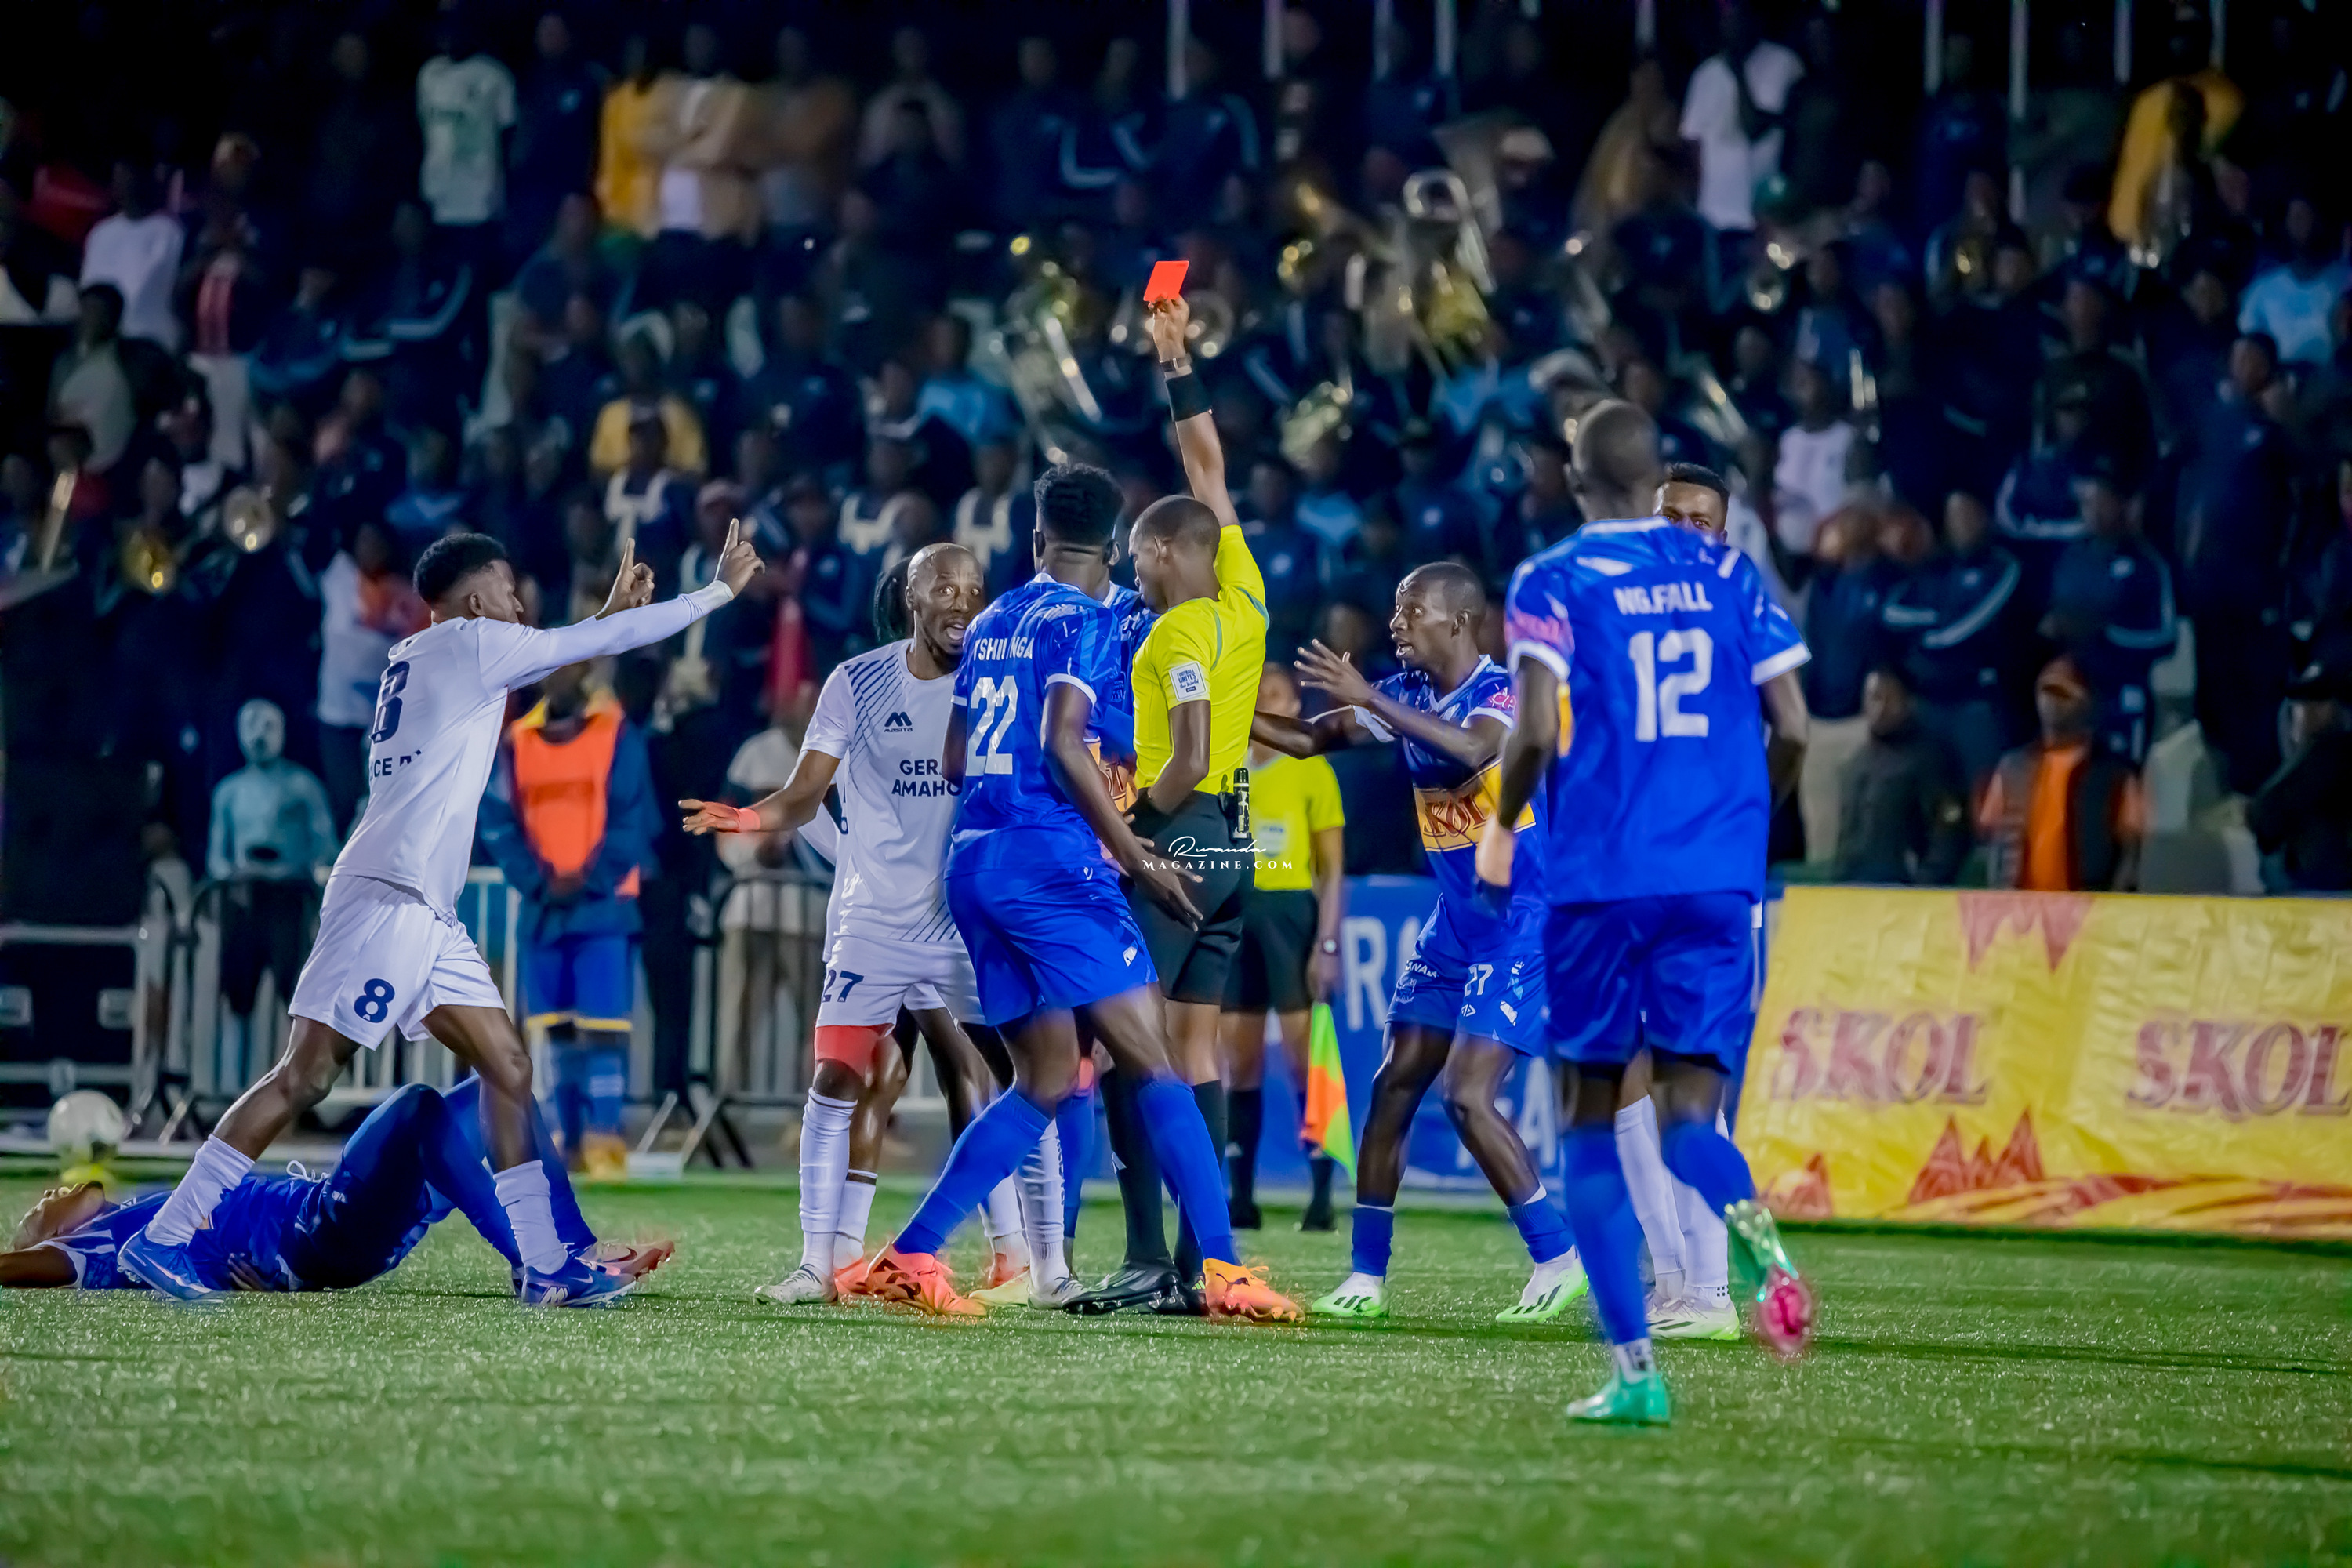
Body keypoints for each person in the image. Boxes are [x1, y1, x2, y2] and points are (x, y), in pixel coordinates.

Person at [117, 526, 761, 1306]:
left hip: (423, 907)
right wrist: (716, 593)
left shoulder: (429, 653)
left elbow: (571, 648)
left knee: (508, 1066)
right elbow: (593, 646)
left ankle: (545, 1266)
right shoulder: (470, 645)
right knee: (305, 1076)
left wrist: (603, 616)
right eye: (509, 589)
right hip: (388, 897)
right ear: (477, 599)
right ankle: (165, 1237)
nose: (520, 603)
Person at [848, 438, 1296, 1323]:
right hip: (1053, 864)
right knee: (1156, 1059)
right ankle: (1223, 1268)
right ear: (1116, 545)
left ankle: (911, 1253)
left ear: (1035, 537)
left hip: (975, 862)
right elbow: (1062, 739)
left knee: (1046, 1078)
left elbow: (954, 758)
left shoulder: (991, 621)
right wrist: (1135, 850)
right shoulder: (1087, 621)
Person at [1482, 399, 1817, 1427]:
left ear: (1577, 478)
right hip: (1717, 879)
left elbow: (1535, 729)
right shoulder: (1730, 572)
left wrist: (1501, 822)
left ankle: (1636, 1374)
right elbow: (1796, 726)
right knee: (1691, 1114)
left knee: (1588, 1124)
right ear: (1655, 480)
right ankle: (1766, 1252)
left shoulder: (1554, 576)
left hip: (1602, 877)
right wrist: (1740, 822)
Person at [684, 543, 1073, 1310]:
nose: (961, 602)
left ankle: (1046, 1266)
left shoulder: (1002, 678)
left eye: (973, 589)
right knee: (836, 1079)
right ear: (911, 598)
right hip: (873, 922)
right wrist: (749, 818)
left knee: (1025, 1079)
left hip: (969, 919)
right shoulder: (856, 681)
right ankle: (816, 1266)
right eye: (944, 588)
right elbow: (806, 794)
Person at [1250, 564, 1581, 1324]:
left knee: (1466, 1094)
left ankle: (1557, 1257)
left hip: (1521, 921)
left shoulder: (1505, 692)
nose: (1396, 623)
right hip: (1454, 924)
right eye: (1395, 611)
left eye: (1412, 611)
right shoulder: (1406, 696)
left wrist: (1373, 701)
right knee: (1393, 1083)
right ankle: (1366, 1276)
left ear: (1459, 621)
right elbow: (1308, 738)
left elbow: (1474, 750)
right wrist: (1221, 709)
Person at [1070, 294, 1269, 1316]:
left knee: (1124, 1048)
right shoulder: (1248, 601)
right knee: (1195, 1053)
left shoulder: (1174, 632)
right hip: (1236, 846)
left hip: (1180, 839)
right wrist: (1177, 361)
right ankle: (1202, 1267)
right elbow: (1208, 471)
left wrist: (1136, 828)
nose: (1134, 572)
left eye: (1140, 558)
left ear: (1158, 555)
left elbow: (1184, 755)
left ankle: (1149, 1255)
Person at [5, 1078, 667, 1296]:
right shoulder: (92, 1248)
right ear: (53, 1237)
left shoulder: (135, 1203)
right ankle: (539, 1268)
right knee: (415, 1106)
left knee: (503, 1086)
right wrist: (26, 1252)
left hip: (336, 1218)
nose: (46, 1197)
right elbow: (16, 1268)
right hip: (316, 1237)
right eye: (37, 1211)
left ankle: (574, 1251)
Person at [477, 662, 659, 1179]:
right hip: (545, 909)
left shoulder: (617, 733)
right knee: (555, 1030)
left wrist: (587, 878)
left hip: (603, 907)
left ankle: (606, 1142)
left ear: (584, 670)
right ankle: (569, 1140)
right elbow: (498, 822)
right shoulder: (517, 742)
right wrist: (539, 881)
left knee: (604, 1028)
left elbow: (632, 817)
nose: (557, 675)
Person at [1219, 662, 1345, 1231]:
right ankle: (1240, 1197)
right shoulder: (1228, 767)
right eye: (1257, 693)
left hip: (1291, 917)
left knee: (1305, 1059)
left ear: (1295, 708)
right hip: (1237, 917)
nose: (1264, 703)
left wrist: (1327, 943)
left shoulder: (1311, 768)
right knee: (1239, 1062)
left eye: (1276, 695)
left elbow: (1333, 871)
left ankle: (1321, 1196)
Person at [1977, 657, 2143, 892]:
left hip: (2088, 902)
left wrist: (2115, 900)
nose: (2052, 702)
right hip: (2018, 903)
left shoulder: (2115, 773)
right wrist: (1998, 891)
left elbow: (2132, 844)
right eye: (2046, 691)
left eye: (2064, 694)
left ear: (2086, 703)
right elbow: (1995, 836)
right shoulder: (2012, 767)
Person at [1831, 667, 1970, 886]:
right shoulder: (1857, 763)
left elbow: (1950, 832)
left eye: (1891, 699)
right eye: (1875, 698)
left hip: (1903, 892)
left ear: (1909, 703)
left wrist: (1924, 885)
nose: (1881, 708)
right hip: (1851, 890)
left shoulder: (1932, 760)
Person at [2247, 660, 2352, 893]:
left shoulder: (2328, 753)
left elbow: (2267, 814)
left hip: (2329, 889)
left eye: (2316, 702)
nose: (2305, 712)